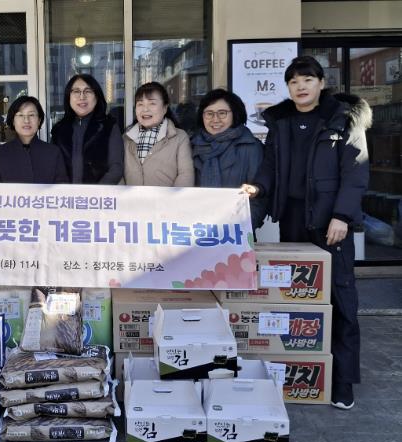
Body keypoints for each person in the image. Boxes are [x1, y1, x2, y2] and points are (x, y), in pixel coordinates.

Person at [241, 56, 371, 410]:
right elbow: (270, 166)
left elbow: (356, 172)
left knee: (340, 299)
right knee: (296, 298)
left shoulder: (343, 119)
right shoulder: (281, 121)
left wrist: (342, 216)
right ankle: (303, 371)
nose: (300, 86)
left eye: (308, 79)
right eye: (294, 81)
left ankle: (342, 381)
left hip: (331, 224)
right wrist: (258, 188)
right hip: (293, 220)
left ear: (321, 83)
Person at [191, 88, 266, 228]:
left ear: (234, 114)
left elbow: (259, 197)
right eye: (209, 114)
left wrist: (242, 228)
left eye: (222, 113)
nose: (215, 119)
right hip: (196, 231)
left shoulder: (250, 147)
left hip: (237, 232)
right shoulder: (192, 145)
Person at [50, 74, 123, 184]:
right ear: (68, 97)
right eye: (76, 91)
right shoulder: (58, 130)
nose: (82, 97)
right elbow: (53, 167)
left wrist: (93, 192)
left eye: (88, 91)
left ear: (96, 96)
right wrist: (64, 191)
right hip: (65, 193)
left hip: (99, 193)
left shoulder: (109, 126)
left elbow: (116, 169)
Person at [123, 82, 194, 187]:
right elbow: (118, 173)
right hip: (131, 198)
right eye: (140, 104)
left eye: (152, 103)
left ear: (165, 108)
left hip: (167, 198)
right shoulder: (126, 137)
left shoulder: (180, 137)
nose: (145, 109)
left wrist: (173, 197)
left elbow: (186, 174)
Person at [0, 96, 68, 184]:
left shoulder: (54, 153)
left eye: (31, 115)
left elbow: (61, 187)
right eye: (20, 115)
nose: (26, 120)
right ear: (13, 121)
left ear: (39, 120)